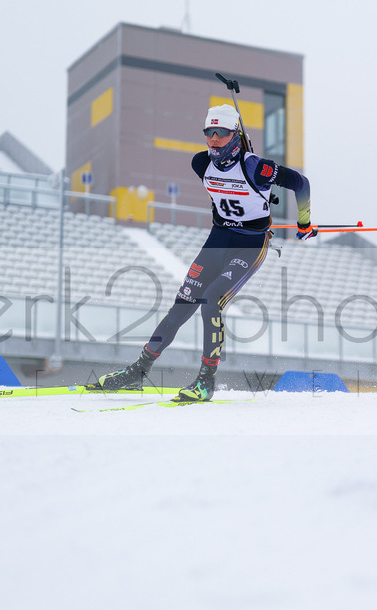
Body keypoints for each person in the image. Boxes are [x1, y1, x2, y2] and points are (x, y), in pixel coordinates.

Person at [98, 104, 313, 401]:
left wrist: (304, 222)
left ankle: (205, 381)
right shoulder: (200, 163)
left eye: (221, 133)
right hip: (218, 239)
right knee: (182, 304)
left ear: (234, 134)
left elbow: (301, 183)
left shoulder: (256, 167)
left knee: (211, 303)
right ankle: (138, 371)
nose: (213, 139)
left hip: (250, 244)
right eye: (208, 132)